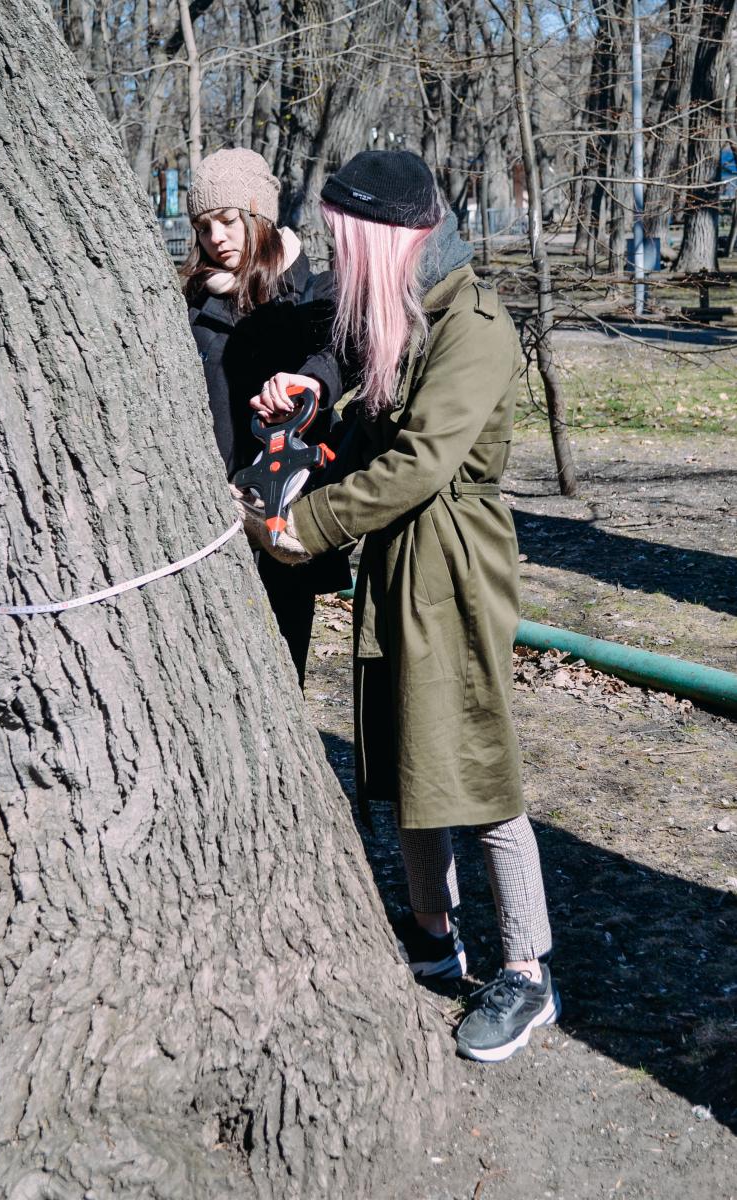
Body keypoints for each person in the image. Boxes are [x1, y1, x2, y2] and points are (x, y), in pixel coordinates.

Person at [239, 150, 560, 1064]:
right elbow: (370, 420)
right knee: (401, 747)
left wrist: (309, 523)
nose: (340, 264)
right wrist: (312, 409)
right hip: (395, 559)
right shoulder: (411, 312)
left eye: (348, 244)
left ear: (392, 237)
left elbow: (421, 459)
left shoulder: (475, 325)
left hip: (453, 565)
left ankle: (527, 972)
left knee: (474, 766)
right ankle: (431, 931)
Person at [181, 147, 351, 686]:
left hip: (285, 500)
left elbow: (344, 358)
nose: (216, 239)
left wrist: (311, 380)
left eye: (228, 221)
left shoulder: (315, 295)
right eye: (204, 228)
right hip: (208, 501)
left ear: (259, 214)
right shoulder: (188, 299)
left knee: (281, 660)